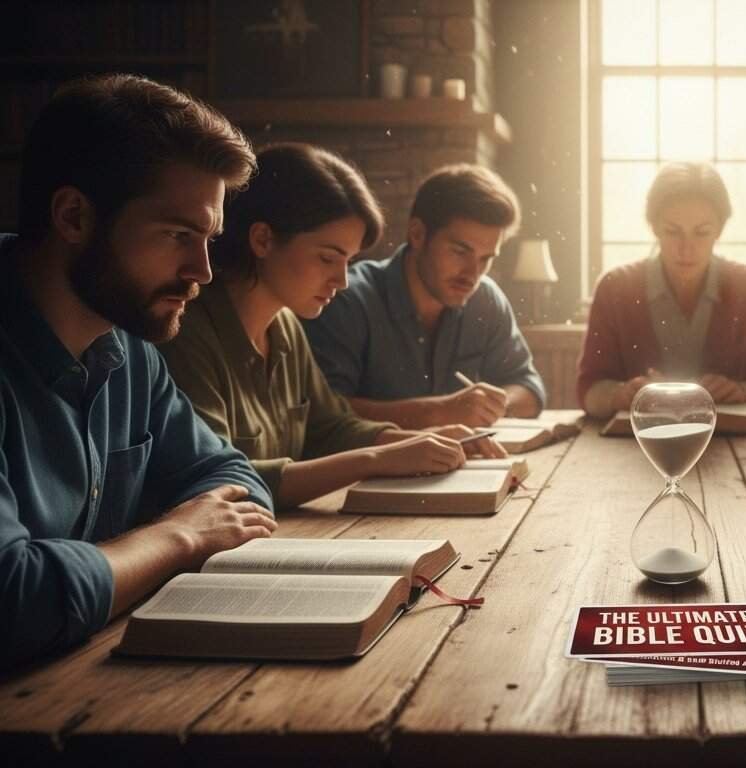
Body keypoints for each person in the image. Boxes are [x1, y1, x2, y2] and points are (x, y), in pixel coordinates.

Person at [0, 75, 274, 670]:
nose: (203, 270)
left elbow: (231, 477)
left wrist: (130, 557)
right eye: (178, 234)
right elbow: (13, 602)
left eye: (209, 238)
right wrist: (178, 536)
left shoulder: (126, 342)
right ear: (74, 216)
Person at [161, 144, 504, 510]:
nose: (341, 281)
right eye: (328, 258)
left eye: (348, 261)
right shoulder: (187, 331)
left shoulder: (285, 325)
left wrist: (416, 441)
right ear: (263, 239)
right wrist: (378, 459)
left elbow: (331, 427)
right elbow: (219, 482)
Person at [303, 164, 545, 429]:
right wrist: (438, 412)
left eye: (485, 258)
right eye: (460, 251)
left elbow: (529, 388)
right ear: (417, 234)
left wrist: (495, 406)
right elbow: (322, 412)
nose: (472, 273)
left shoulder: (485, 299)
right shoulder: (347, 299)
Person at [577, 161, 746, 417]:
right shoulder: (615, 288)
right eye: (672, 232)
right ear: (654, 227)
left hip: (728, 439)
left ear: (720, 230)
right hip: (637, 438)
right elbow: (588, 391)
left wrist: (741, 391)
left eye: (701, 233)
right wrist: (619, 394)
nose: (687, 248)